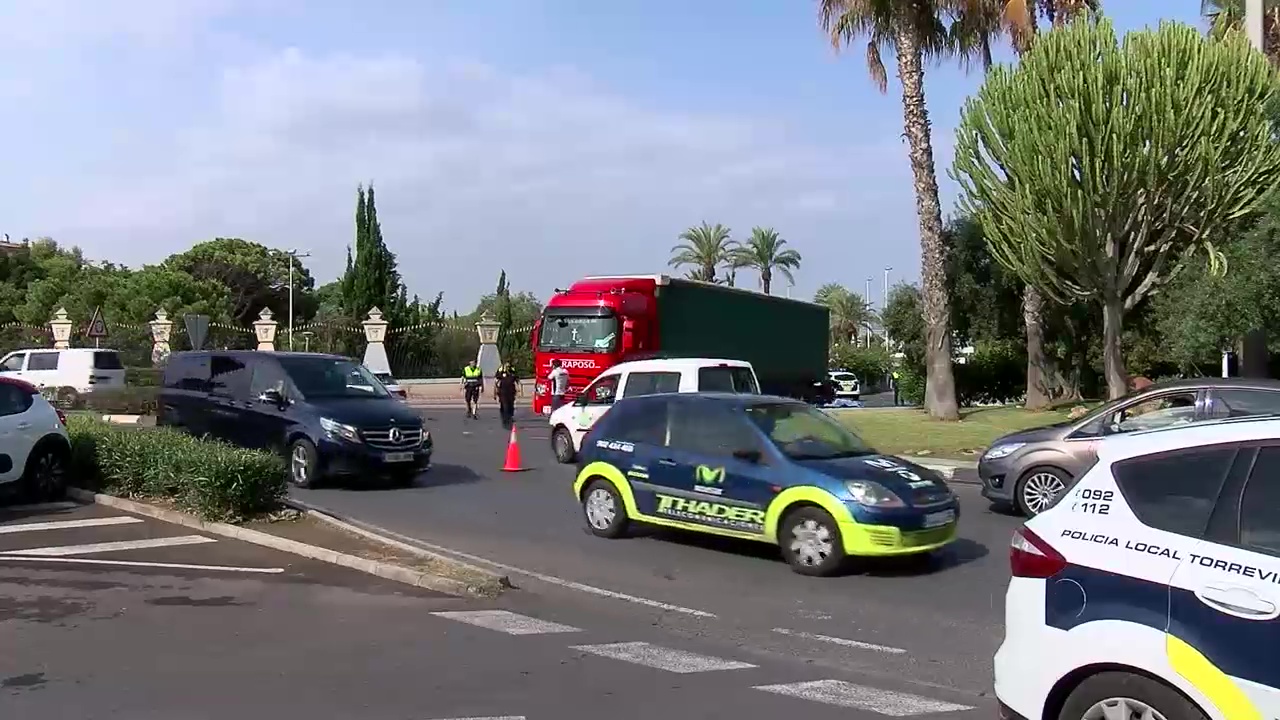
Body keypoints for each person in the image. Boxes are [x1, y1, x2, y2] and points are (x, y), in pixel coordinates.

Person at [494, 361, 521, 429]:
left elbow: (517, 380)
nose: (507, 365)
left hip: (511, 391)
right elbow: (496, 381)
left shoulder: (513, 370)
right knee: (504, 405)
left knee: (511, 405)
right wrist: (495, 392)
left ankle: (510, 416)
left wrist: (519, 390)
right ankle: (505, 418)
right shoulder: (501, 370)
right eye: (506, 364)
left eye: (509, 364)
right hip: (503, 391)